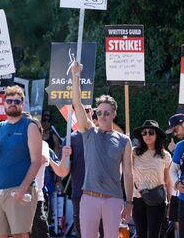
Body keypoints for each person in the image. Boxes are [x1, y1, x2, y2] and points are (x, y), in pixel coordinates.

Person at [71, 62, 133, 238]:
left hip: (113, 199)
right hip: (89, 197)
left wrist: (129, 202)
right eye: (99, 113)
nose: (103, 116)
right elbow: (77, 103)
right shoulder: (89, 132)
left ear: (114, 114)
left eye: (107, 113)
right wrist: (75, 77)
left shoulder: (124, 140)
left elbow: (128, 174)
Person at [0, 85, 42, 238]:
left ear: (22, 105)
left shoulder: (30, 126)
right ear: (3, 103)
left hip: (20, 189)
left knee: (20, 235)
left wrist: (23, 189)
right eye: (9, 100)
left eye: (17, 101)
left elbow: (37, 161)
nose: (13, 103)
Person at [51, 106, 103, 238]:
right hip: (79, 195)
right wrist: (64, 156)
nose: (83, 113)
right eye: (79, 110)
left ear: (92, 113)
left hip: (103, 195)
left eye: (86, 110)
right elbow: (63, 172)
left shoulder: (103, 135)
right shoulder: (70, 139)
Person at [131, 120, 172, 238]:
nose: (147, 135)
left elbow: (168, 182)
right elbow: (127, 174)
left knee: (154, 235)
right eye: (144, 133)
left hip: (157, 200)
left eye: (151, 132)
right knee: (141, 234)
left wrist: (170, 202)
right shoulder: (133, 152)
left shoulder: (165, 155)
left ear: (157, 135)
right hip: (138, 198)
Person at [166, 113, 184, 234]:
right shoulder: (179, 145)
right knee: (178, 230)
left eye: (176, 129)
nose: (175, 134)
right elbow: (173, 170)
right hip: (178, 195)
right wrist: (176, 185)